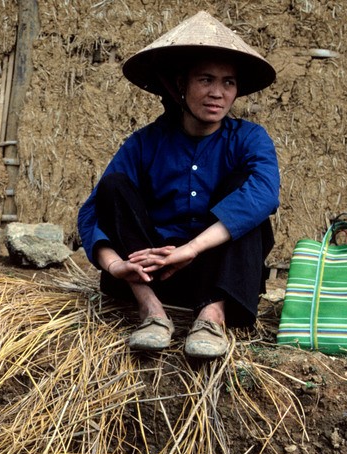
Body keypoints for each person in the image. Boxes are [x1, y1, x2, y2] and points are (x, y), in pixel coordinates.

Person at [77, 11, 280, 359]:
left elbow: (264, 194)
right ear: (180, 84)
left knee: (248, 197)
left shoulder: (249, 139)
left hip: (217, 275)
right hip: (150, 273)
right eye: (206, 79)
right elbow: (94, 210)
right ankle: (151, 312)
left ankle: (211, 316)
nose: (217, 93)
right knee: (114, 186)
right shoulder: (145, 143)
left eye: (228, 82)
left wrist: (192, 249)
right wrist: (116, 266)